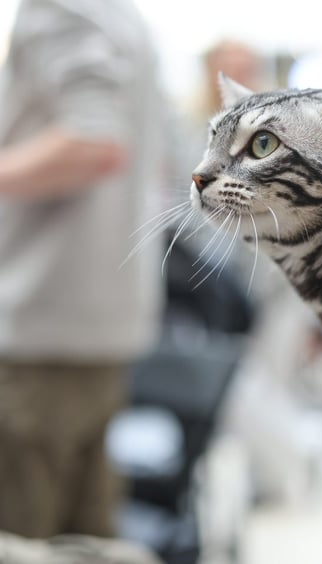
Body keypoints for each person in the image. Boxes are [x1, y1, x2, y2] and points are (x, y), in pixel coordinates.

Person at [0, 0, 165, 540]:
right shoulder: (121, 16)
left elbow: (94, 144)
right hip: (99, 323)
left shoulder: (59, 7)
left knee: (23, 536)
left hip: (42, 324)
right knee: (81, 537)